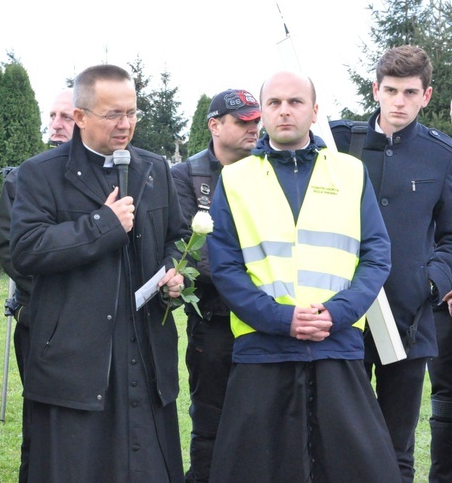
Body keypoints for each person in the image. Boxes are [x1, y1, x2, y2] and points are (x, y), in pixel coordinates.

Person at [207, 70, 401, 482]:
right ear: (262, 114)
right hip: (263, 350)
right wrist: (282, 319)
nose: (284, 111)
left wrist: (337, 313)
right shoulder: (235, 179)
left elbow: (376, 254)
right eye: (274, 103)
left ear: (314, 112)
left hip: (337, 346)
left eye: (295, 102)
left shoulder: (350, 172)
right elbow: (225, 266)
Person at [10, 64, 187, 482]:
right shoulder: (40, 174)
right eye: (113, 115)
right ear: (80, 117)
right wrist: (102, 225)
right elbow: (25, 251)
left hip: (144, 348)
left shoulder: (154, 169)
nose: (125, 125)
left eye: (132, 113)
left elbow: (178, 240)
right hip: (75, 355)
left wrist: (176, 273)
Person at [330, 45, 452, 482]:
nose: (399, 101)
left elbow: (450, 236)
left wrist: (431, 283)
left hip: (410, 321)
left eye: (410, 92)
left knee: (397, 448)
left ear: (427, 95)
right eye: (392, 90)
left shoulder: (443, 154)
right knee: (342, 443)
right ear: (375, 90)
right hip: (343, 320)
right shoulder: (338, 142)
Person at [170, 89, 260, 483]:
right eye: (243, 122)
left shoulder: (269, 168)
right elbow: (185, 250)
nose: (253, 128)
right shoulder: (186, 176)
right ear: (215, 125)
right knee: (210, 422)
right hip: (214, 319)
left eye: (256, 120)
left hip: (264, 320)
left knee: (262, 421)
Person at [0, 87, 74, 482]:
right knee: (39, 422)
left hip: (94, 323)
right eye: (53, 116)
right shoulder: (26, 177)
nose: (56, 125)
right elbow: (11, 250)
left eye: (67, 117)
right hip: (39, 318)